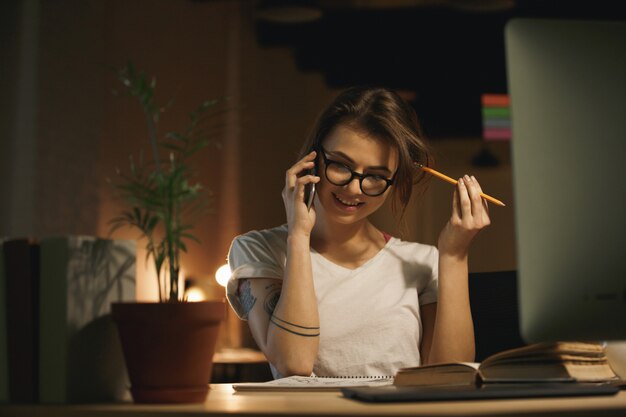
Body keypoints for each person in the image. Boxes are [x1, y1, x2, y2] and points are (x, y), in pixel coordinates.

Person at [226, 87, 491, 379]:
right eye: (341, 165)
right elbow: (294, 364)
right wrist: (298, 237)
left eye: (376, 176)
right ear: (312, 158)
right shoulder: (257, 249)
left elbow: (449, 378)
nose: (353, 188)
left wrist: (453, 256)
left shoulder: (422, 262)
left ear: (394, 181)